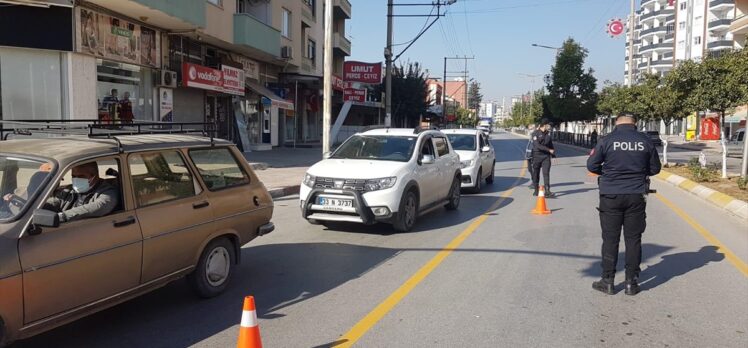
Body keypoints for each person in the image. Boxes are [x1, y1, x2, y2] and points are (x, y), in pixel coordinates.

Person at [587, 114, 661, 296]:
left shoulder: (607, 140)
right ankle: (631, 282)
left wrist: (609, 172)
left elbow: (592, 165)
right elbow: (655, 169)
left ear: (616, 123)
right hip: (636, 195)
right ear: (635, 124)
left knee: (610, 239)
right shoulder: (645, 141)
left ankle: (608, 281)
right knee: (633, 239)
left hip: (611, 195)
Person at [43, 162, 119, 223]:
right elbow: (55, 202)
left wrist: (61, 216)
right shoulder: (69, 190)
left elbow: (92, 209)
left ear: (94, 176)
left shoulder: (108, 193)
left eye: (81, 176)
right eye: (73, 176)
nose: (76, 179)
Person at [530, 119, 556, 197]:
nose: (550, 126)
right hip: (536, 156)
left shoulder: (548, 134)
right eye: (549, 125)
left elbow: (551, 145)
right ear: (545, 125)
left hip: (546, 157)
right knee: (536, 173)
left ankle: (547, 191)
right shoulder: (535, 133)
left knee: (546, 173)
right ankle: (536, 190)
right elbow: (537, 146)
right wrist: (549, 150)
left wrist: (553, 155)